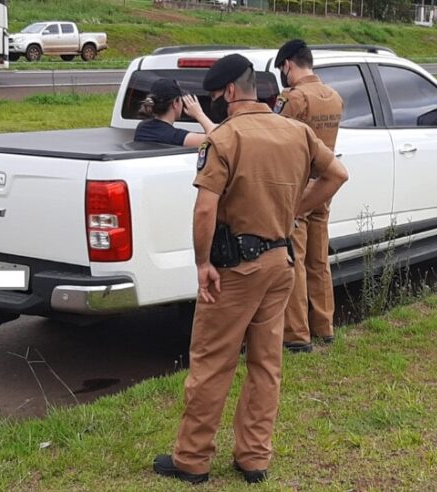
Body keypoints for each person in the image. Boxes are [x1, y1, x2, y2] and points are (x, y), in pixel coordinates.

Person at [152, 54, 348, 485]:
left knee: (211, 363)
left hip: (235, 269)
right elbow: (337, 174)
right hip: (281, 264)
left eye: (215, 95)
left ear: (227, 92)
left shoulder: (224, 138)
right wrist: (296, 210)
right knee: (266, 364)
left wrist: (203, 263)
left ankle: (192, 459)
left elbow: (205, 208)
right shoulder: (295, 132)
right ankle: (254, 458)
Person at [274, 39, 344, 354]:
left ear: (288, 64)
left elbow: (274, 136)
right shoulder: (334, 97)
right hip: (324, 185)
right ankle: (324, 327)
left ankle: (297, 335)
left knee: (295, 261)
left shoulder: (294, 98)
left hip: (298, 187)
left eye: (282, 70)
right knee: (319, 258)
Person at [133, 78, 210, 147]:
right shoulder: (177, 138)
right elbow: (217, 139)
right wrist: (199, 114)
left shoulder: (142, 128)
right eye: (181, 100)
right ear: (175, 103)